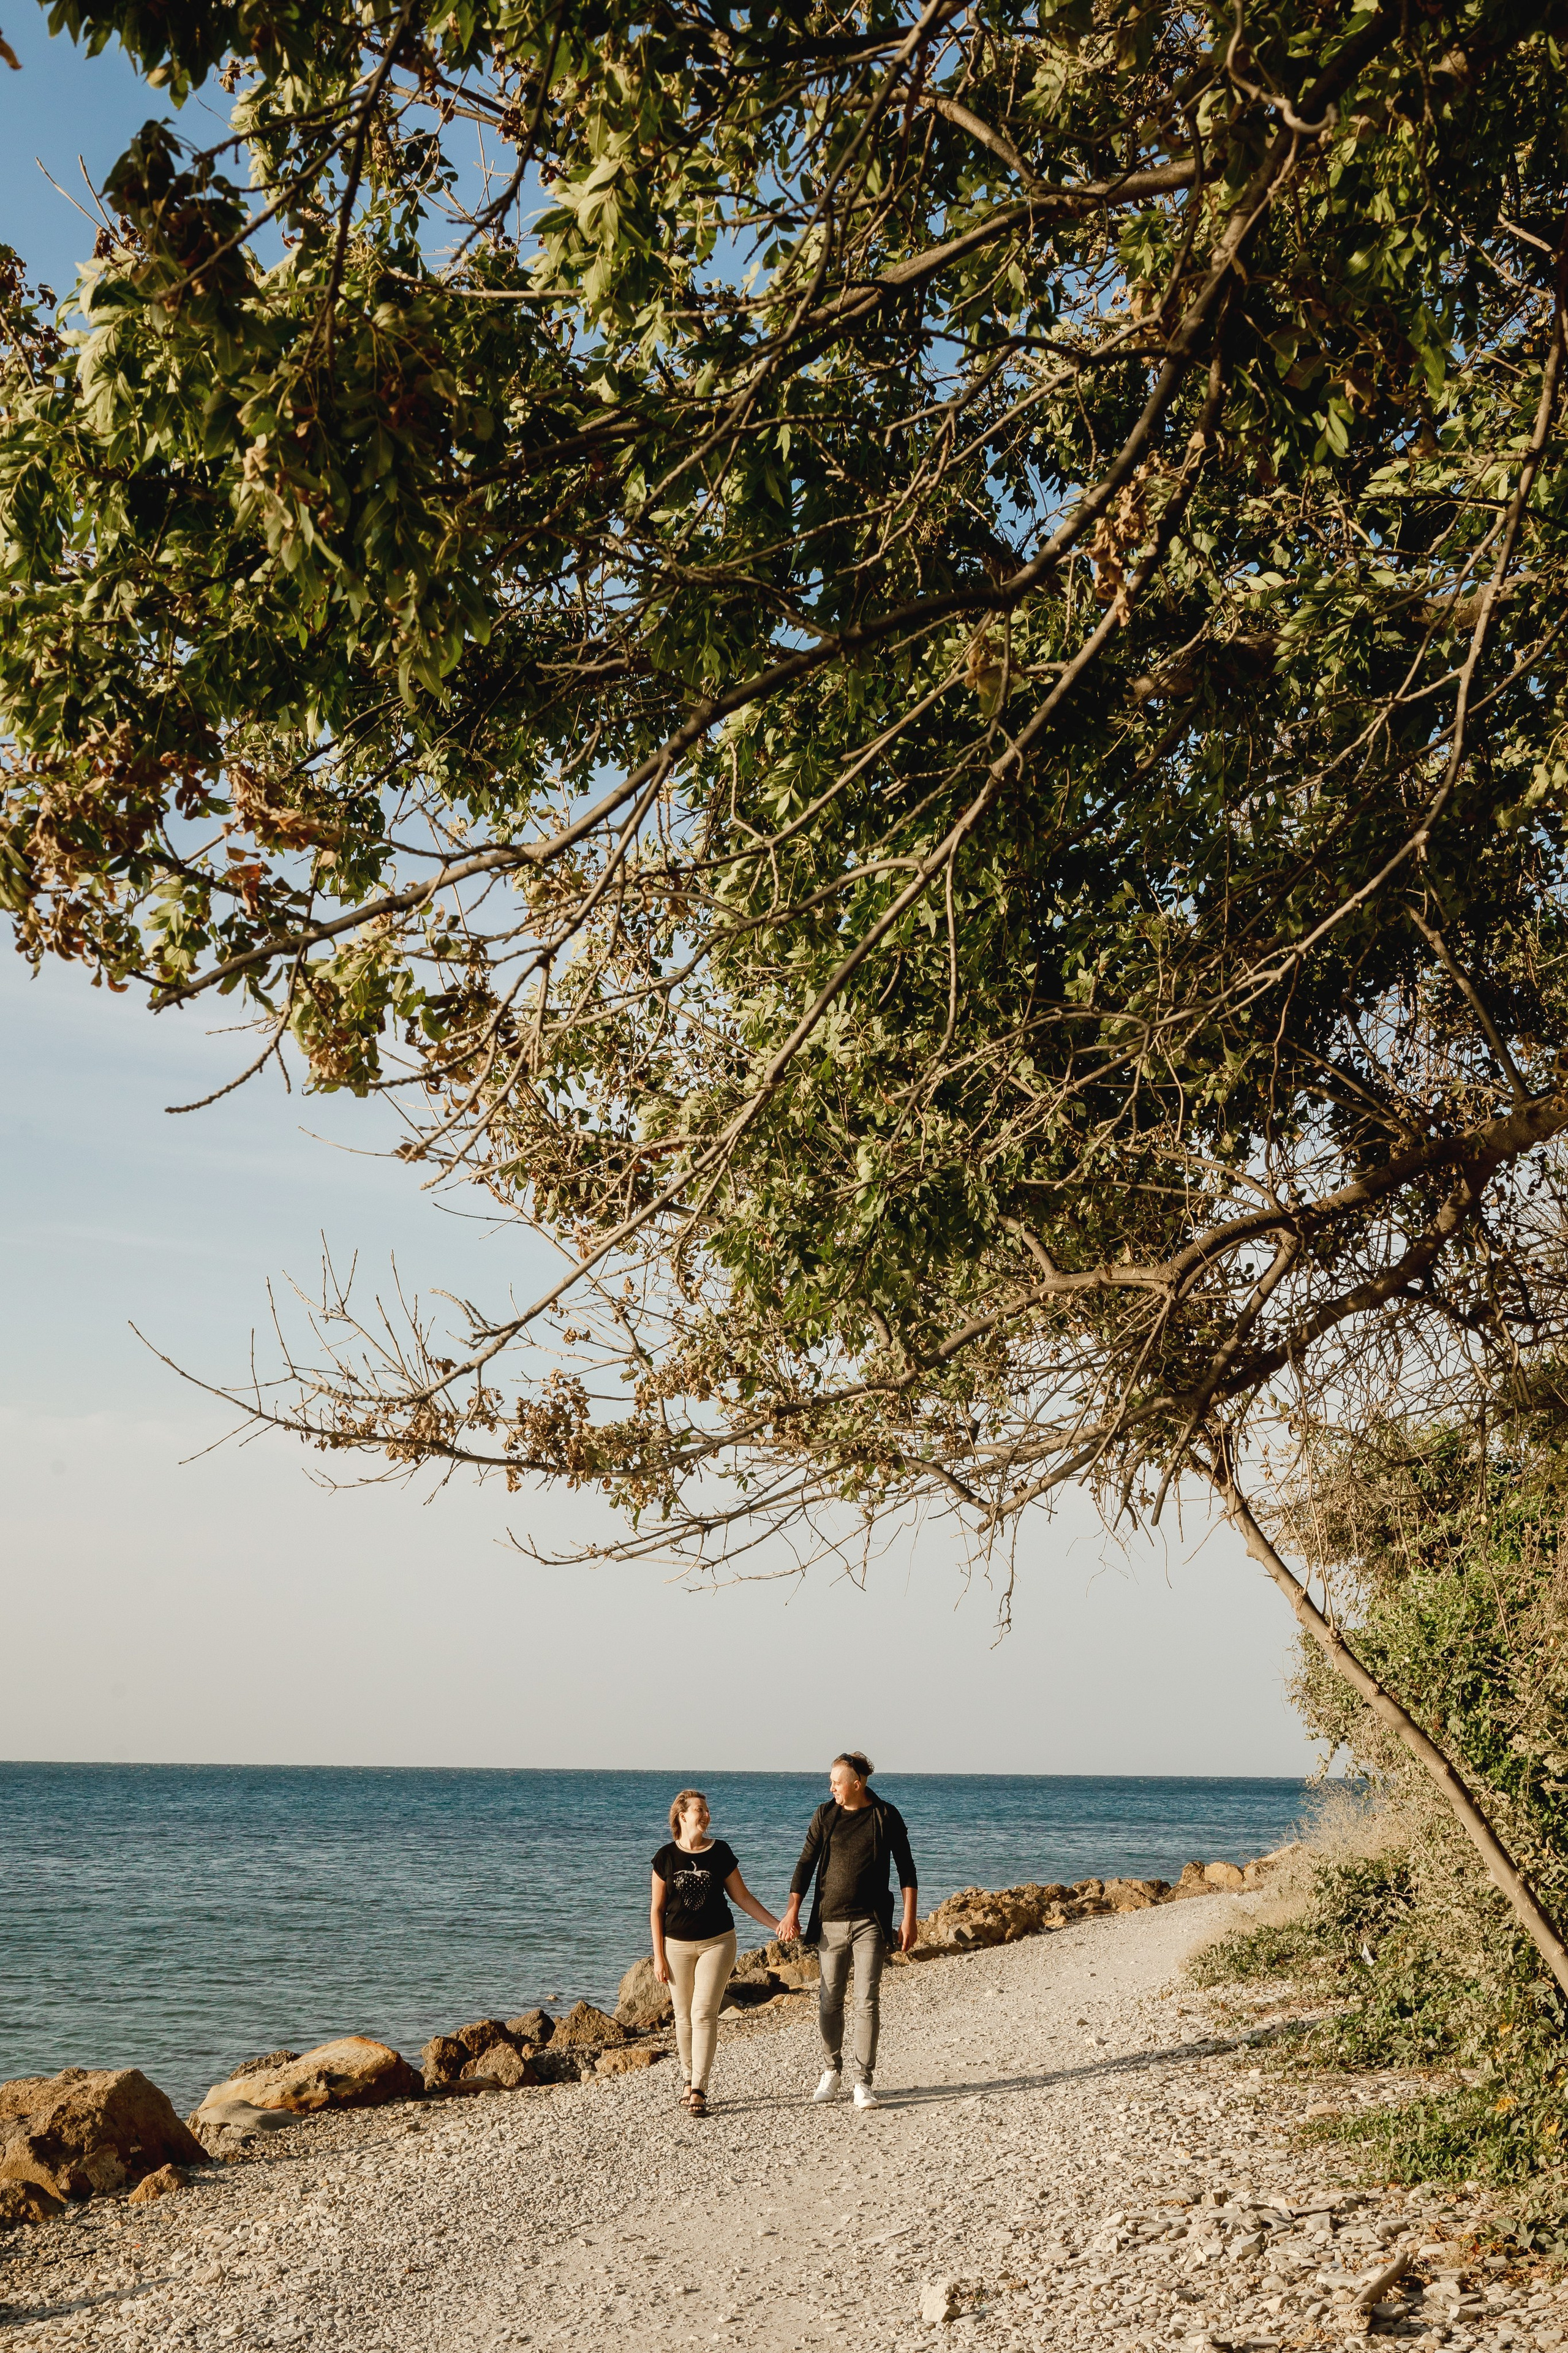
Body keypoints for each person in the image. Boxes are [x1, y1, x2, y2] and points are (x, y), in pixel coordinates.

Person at [776, 1751, 918, 2110]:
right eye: (830, 1783)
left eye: (837, 1783)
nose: (831, 1788)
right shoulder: (826, 1815)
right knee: (829, 1999)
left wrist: (909, 1919)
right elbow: (805, 1863)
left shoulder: (885, 1815)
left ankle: (863, 2082)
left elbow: (907, 1871)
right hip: (829, 1923)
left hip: (870, 1922)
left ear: (857, 1783)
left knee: (867, 2001)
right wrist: (792, 1911)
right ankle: (831, 2071)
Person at [651, 1788, 782, 2117]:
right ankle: (686, 2076)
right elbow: (656, 1910)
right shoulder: (665, 1857)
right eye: (700, 1810)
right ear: (683, 1816)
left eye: (707, 1810)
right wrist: (659, 1956)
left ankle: (699, 2087)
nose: (706, 1815)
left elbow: (742, 1897)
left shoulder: (720, 1852)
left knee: (704, 2013)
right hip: (676, 1946)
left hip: (718, 1942)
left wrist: (776, 1925)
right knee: (683, 2016)